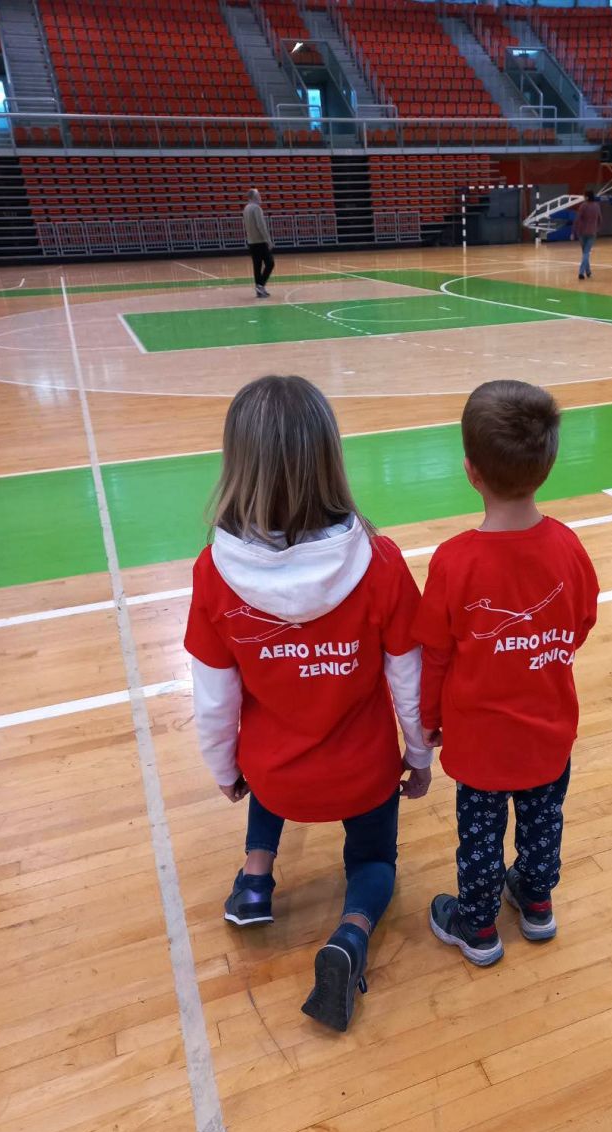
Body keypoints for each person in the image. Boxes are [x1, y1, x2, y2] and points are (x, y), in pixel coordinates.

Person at [184, 375, 431, 1031]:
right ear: (330, 457)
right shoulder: (380, 562)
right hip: (364, 776)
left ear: (237, 464)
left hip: (276, 778)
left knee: (268, 753)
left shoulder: (213, 573)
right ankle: (350, 935)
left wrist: (224, 769)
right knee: (374, 861)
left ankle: (255, 876)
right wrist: (420, 756)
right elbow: (410, 680)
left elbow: (214, 699)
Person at [414, 380, 599, 967]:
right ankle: (537, 905)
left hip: (481, 742)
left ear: (471, 471)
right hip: (548, 730)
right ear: (547, 465)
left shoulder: (453, 561)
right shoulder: (568, 547)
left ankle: (478, 927)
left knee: (480, 836)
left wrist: (428, 718)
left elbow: (435, 654)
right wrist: (538, 653)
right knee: (544, 822)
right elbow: (581, 623)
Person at [243, 188, 275, 299]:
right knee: (270, 263)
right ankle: (260, 285)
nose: (260, 197)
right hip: (260, 241)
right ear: (254, 196)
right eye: (259, 195)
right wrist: (268, 240)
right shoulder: (256, 208)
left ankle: (259, 289)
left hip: (251, 242)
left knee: (257, 266)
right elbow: (261, 226)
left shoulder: (246, 208)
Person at [571, 189, 602, 281]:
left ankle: (581, 272)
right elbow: (600, 219)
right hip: (592, 232)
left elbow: (577, 219)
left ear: (587, 197)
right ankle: (588, 272)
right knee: (586, 253)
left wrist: (573, 231)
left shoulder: (583, 206)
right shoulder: (597, 206)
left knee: (585, 252)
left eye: (584, 196)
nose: (583, 197)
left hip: (582, 232)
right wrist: (597, 229)